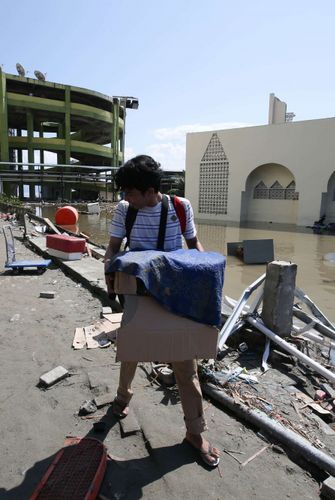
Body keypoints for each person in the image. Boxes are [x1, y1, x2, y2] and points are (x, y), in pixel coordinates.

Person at [103, 155, 220, 467]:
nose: (125, 197)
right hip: (138, 292)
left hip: (175, 294)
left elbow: (194, 245)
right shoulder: (125, 210)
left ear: (149, 191)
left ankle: (194, 433)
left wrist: (208, 279)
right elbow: (114, 246)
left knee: (186, 365)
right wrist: (109, 271)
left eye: (129, 191)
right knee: (131, 352)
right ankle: (122, 397)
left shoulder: (180, 207)